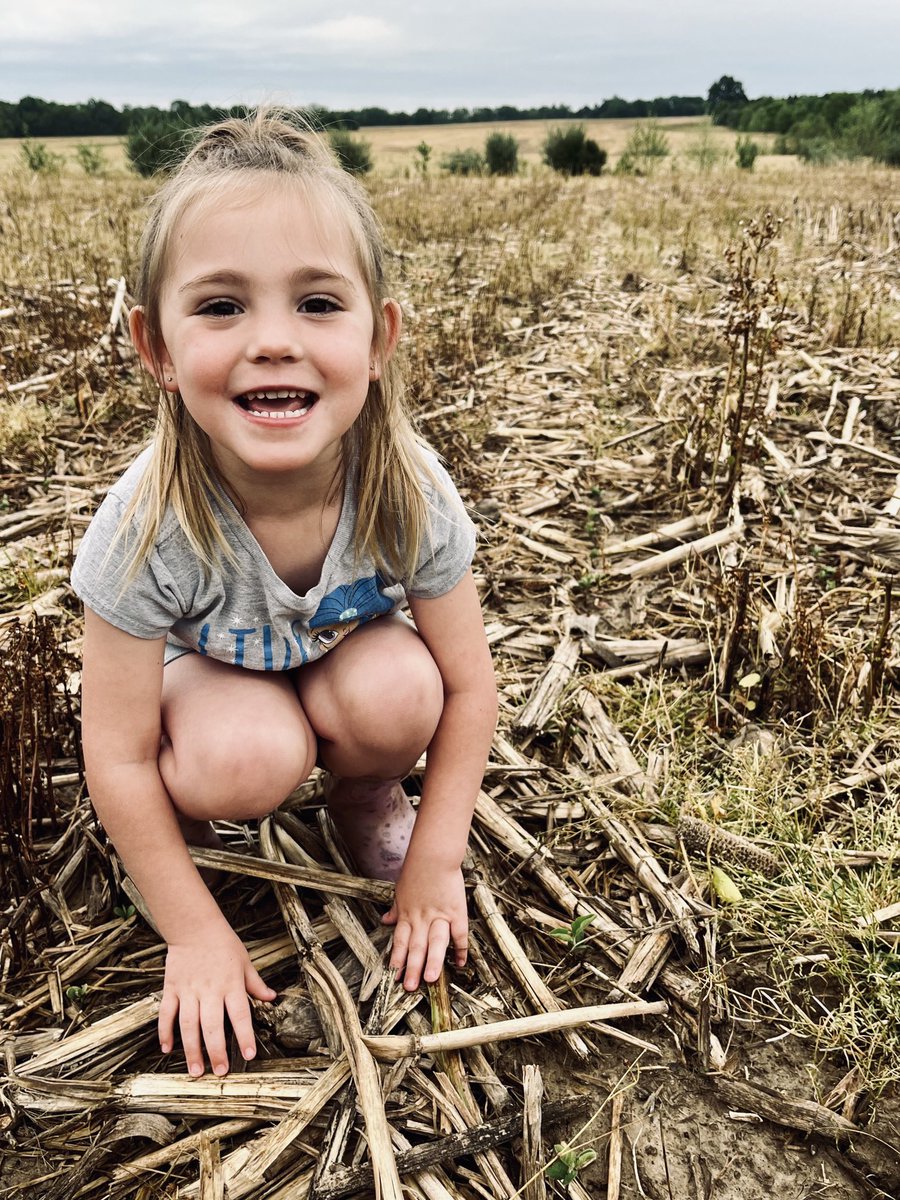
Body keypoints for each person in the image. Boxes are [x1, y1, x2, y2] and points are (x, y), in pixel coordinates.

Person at [71, 110, 497, 1080]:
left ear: (380, 336)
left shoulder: (407, 488)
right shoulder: (143, 527)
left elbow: (471, 689)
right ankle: (182, 845)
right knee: (244, 758)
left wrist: (437, 862)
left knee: (406, 692)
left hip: (346, 662)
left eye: (317, 303)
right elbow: (117, 754)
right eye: (222, 307)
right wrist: (193, 932)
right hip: (213, 684)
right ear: (155, 347)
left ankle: (364, 793)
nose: (272, 341)